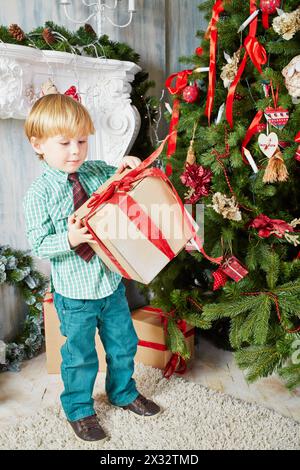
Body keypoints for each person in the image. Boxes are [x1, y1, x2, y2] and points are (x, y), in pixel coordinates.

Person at [23, 93, 161, 443]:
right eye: (65, 142)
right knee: (80, 355)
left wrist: (126, 170)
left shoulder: (95, 170)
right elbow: (39, 244)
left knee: (123, 343)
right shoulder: (38, 194)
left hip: (110, 282)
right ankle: (79, 408)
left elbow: (115, 185)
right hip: (74, 293)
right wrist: (68, 239)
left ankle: (123, 392)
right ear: (38, 144)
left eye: (82, 141)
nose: (76, 151)